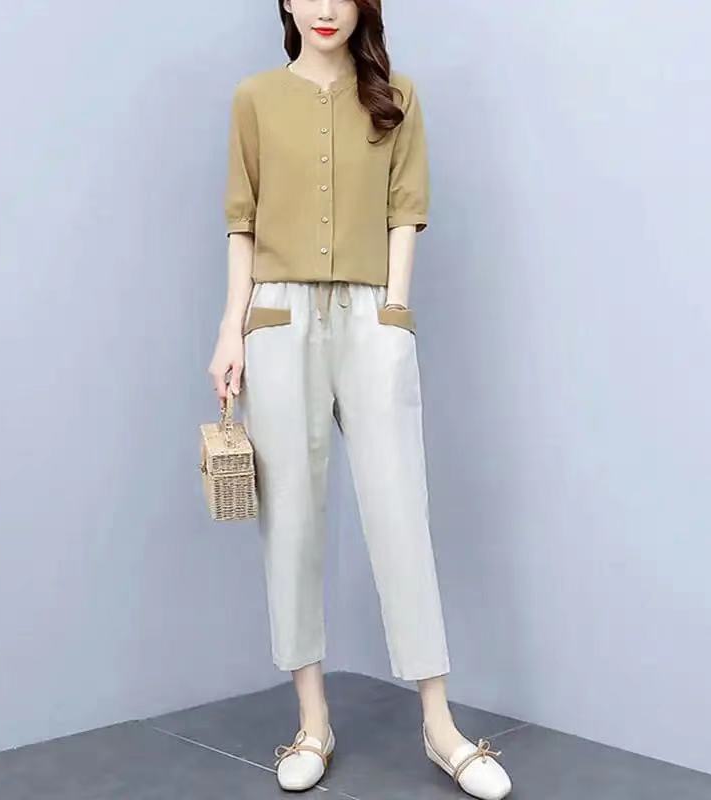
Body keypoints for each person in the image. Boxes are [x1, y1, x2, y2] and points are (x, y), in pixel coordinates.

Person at [208, 2, 513, 797]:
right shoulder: (254, 98)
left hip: (371, 313)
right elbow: (241, 224)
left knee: (400, 510)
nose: (323, 8)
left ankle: (440, 727)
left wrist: (394, 312)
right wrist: (231, 330)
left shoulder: (396, 96)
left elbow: (405, 213)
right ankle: (313, 721)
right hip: (277, 318)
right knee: (291, 522)